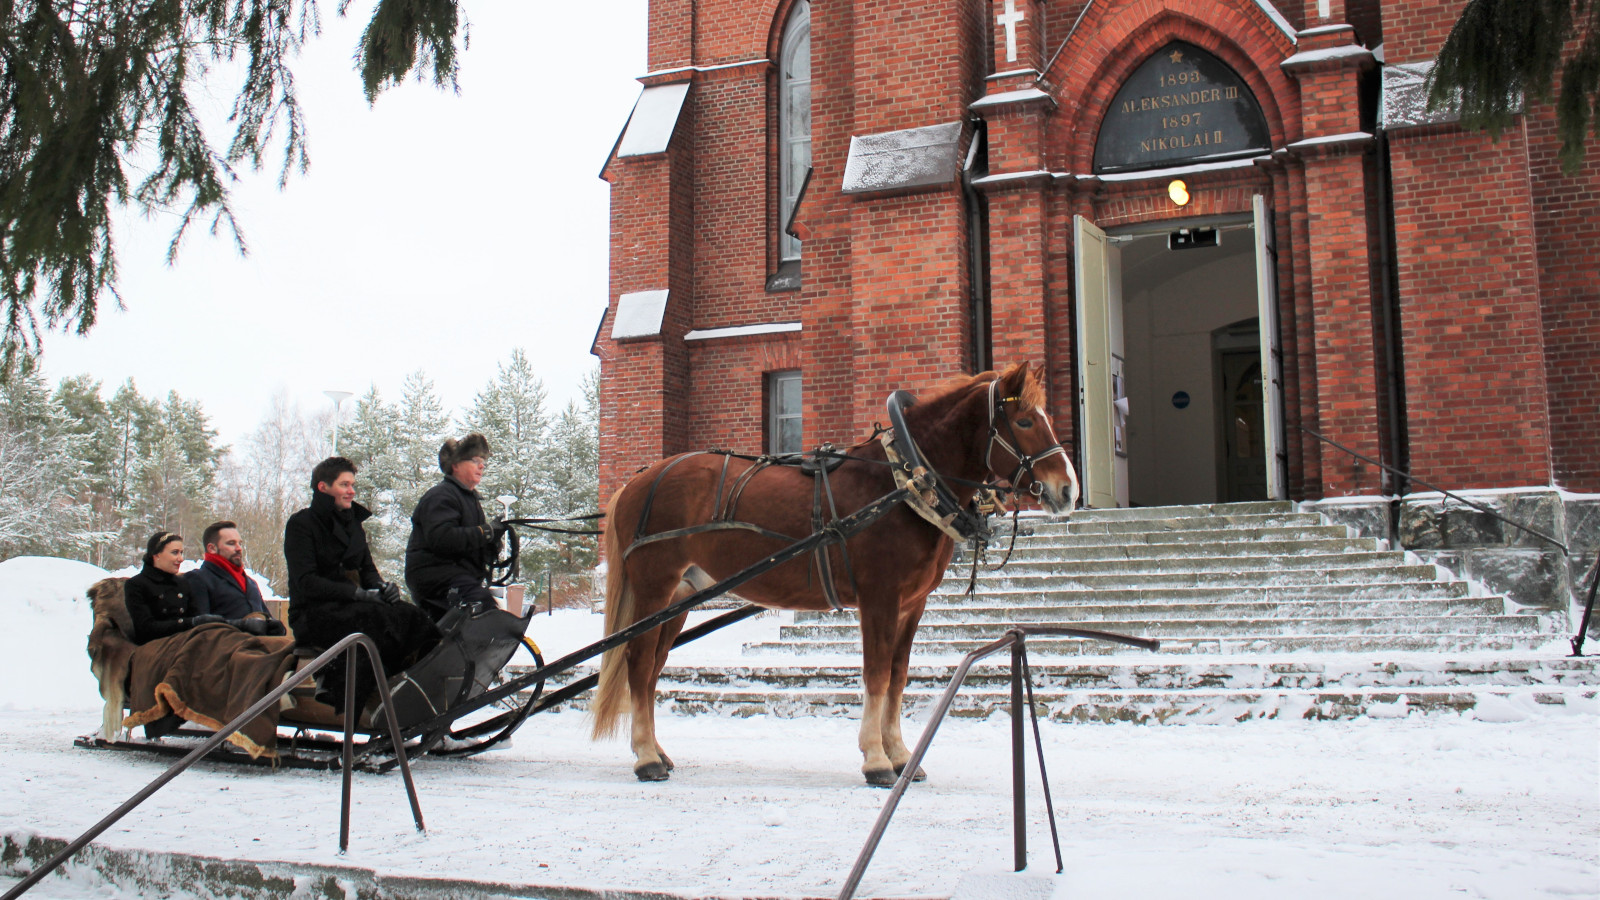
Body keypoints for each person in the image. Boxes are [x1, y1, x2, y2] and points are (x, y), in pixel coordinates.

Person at [284, 457, 441, 714]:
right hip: (313, 614)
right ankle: (352, 700)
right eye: (345, 485)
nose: (352, 491)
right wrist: (357, 593)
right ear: (323, 488)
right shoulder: (301, 524)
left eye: (352, 484)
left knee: (412, 616)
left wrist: (382, 588)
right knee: (373, 620)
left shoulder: (354, 524)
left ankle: (418, 695)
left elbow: (368, 570)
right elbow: (306, 582)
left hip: (352, 606)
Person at [405, 433, 509, 621]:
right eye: (475, 460)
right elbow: (442, 538)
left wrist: (490, 545)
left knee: (486, 609)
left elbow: (466, 544)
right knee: (481, 607)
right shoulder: (441, 495)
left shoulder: (468, 499)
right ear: (456, 465)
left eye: (483, 460)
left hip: (456, 575)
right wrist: (485, 533)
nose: (482, 465)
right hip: (435, 577)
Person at [186, 520, 287, 635]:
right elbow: (200, 627)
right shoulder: (198, 579)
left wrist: (277, 627)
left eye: (240, 543)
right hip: (225, 647)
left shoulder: (250, 583)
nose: (239, 548)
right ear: (212, 548)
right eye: (231, 543)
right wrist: (242, 626)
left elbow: (266, 617)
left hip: (260, 647)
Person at [123, 531, 223, 644]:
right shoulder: (136, 585)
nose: (181, 559)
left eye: (181, 553)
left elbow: (196, 617)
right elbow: (146, 628)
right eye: (175, 553)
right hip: (155, 649)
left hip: (186, 642)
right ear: (156, 555)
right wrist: (190, 623)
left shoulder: (182, 583)